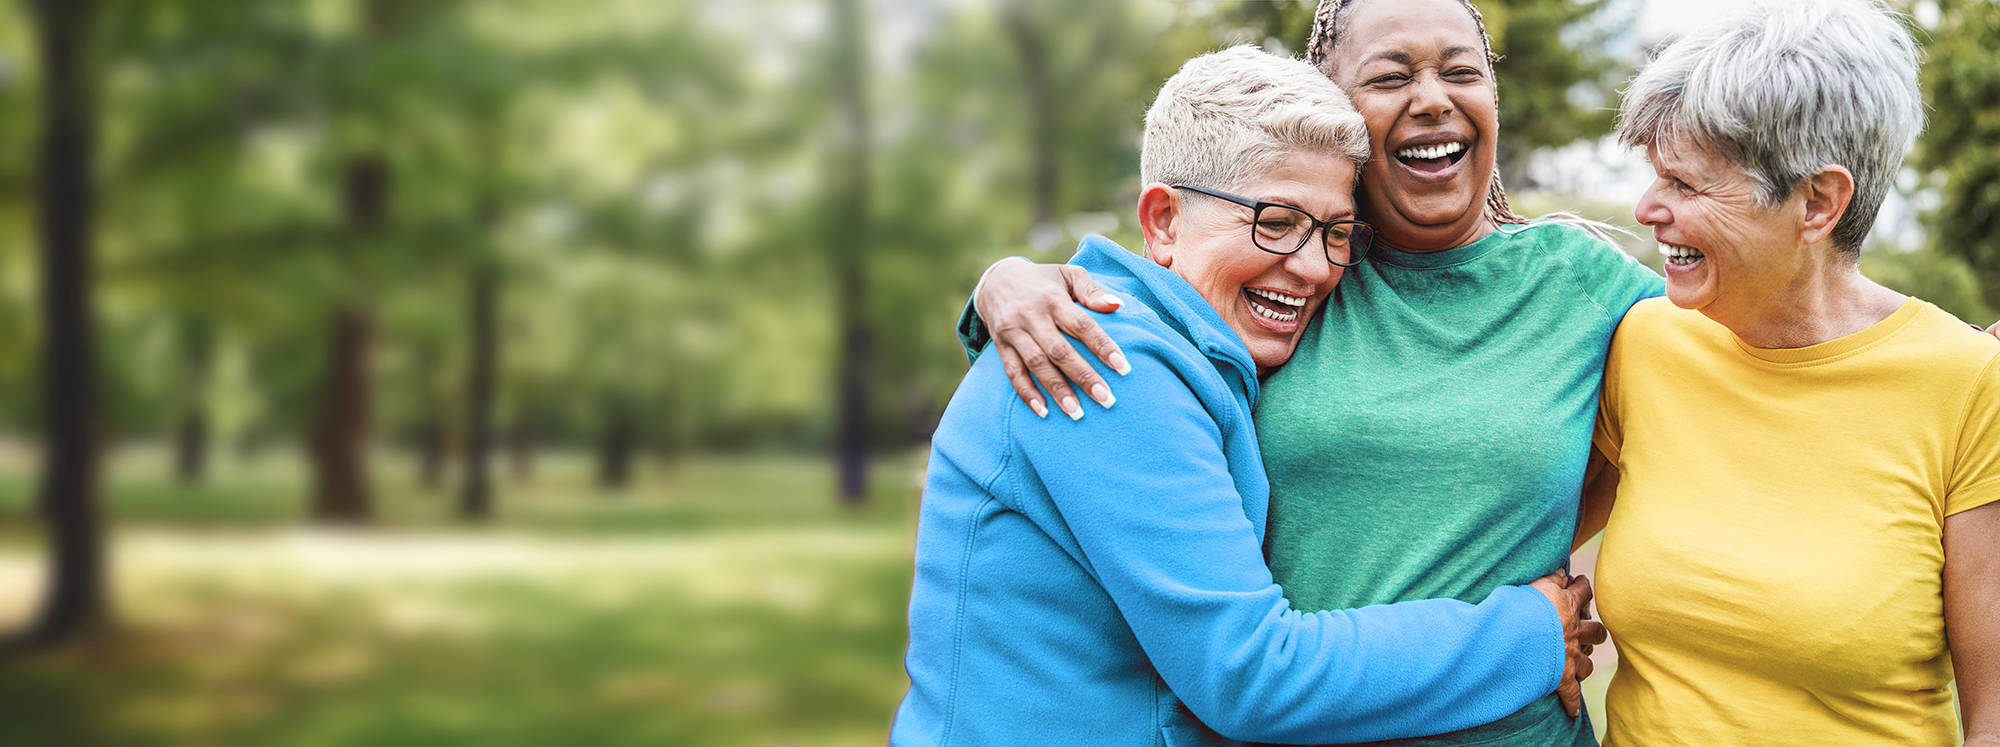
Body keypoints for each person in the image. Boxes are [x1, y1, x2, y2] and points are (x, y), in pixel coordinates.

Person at [958, 0, 1658, 743]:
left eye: (1463, 72)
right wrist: (1005, 284)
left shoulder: (1581, 287)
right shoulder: (1295, 278)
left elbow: (1731, 370)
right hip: (1275, 715)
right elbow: (1139, 324)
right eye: (1391, 77)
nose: (1432, 98)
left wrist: (1539, 535)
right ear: (1342, 113)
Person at [1586, 1, 2000, 744]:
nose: (1648, 208)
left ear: (1818, 201)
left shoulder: (1969, 384)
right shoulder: (1645, 342)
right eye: (1655, 177)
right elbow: (1524, 541)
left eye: (1687, 185)